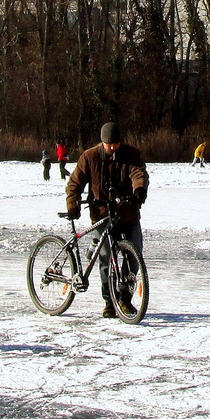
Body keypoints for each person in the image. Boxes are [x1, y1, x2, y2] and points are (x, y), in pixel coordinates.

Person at [65, 122, 151, 317]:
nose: (112, 148)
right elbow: (75, 183)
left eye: (115, 144)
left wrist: (139, 190)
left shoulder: (131, 154)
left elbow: (139, 173)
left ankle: (125, 299)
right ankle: (109, 302)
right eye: (108, 144)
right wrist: (72, 202)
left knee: (133, 257)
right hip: (102, 215)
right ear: (102, 142)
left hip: (127, 213)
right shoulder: (90, 157)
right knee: (106, 260)